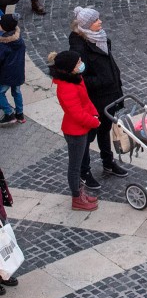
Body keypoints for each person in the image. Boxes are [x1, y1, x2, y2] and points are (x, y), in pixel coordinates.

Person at [68, 5, 127, 187]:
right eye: (95, 20)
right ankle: (84, 172)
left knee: (105, 130)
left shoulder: (101, 38)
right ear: (86, 25)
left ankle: (108, 163)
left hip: (110, 95)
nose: (100, 21)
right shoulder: (80, 49)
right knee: (88, 136)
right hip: (95, 100)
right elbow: (80, 78)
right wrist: (103, 80)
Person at [48, 49, 100, 211]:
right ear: (70, 67)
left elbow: (85, 101)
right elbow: (76, 113)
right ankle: (77, 198)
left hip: (81, 129)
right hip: (75, 131)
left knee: (77, 164)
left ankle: (80, 193)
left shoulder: (76, 79)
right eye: (78, 63)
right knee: (75, 167)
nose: (81, 64)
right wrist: (94, 122)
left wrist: (94, 114)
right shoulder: (67, 87)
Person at [0, 14, 25, 126]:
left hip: (7, 74)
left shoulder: (4, 44)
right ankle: (20, 114)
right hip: (18, 72)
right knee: (17, 92)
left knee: (0, 93)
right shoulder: (19, 40)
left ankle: (9, 114)